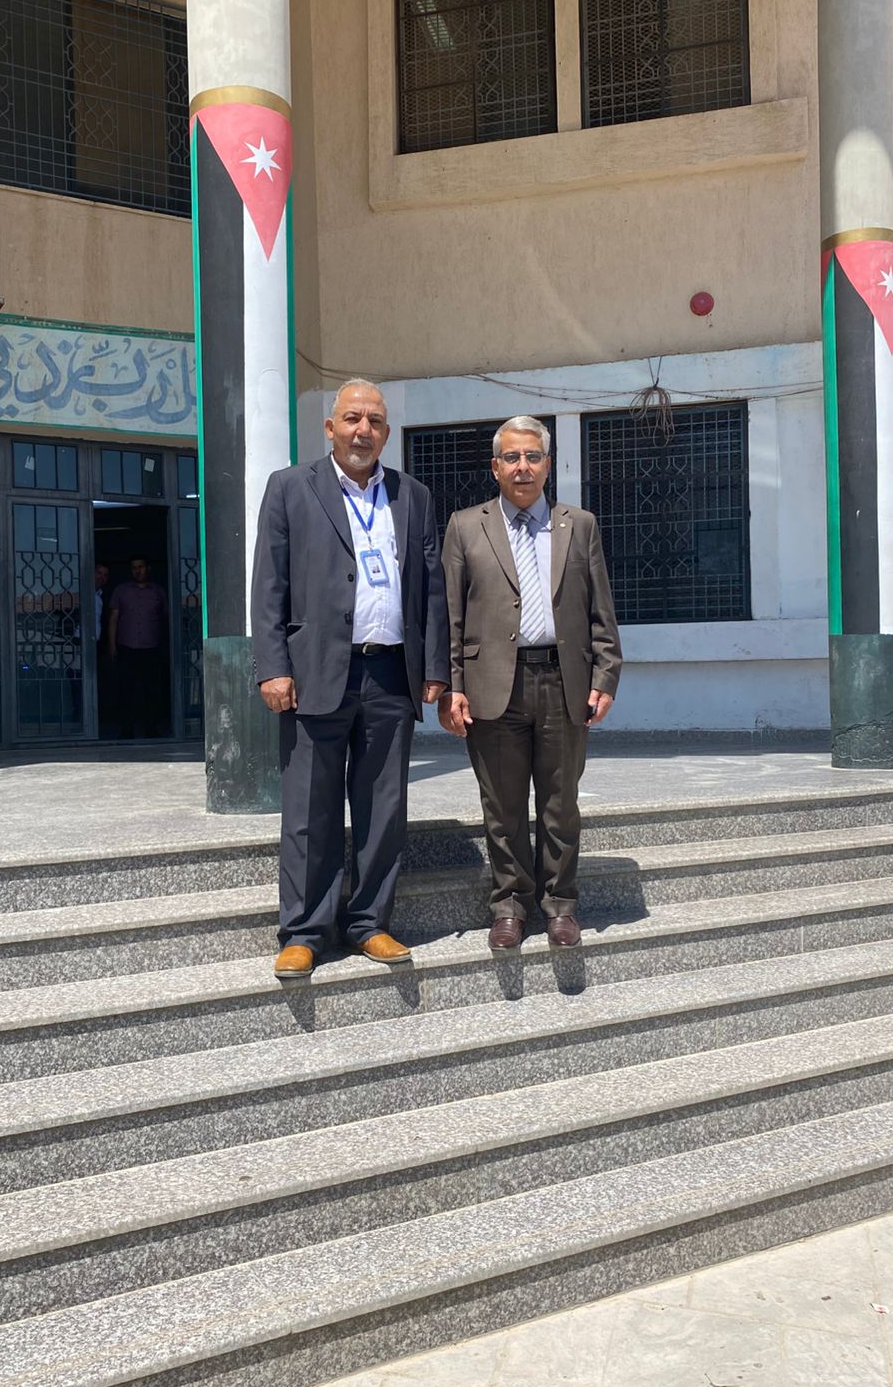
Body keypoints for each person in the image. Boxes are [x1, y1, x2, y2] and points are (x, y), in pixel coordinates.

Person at [251, 378, 449, 977]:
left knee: (383, 807)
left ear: (386, 432)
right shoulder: (291, 488)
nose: (364, 430)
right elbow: (269, 584)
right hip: (314, 673)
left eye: (375, 421)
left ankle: (369, 923)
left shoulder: (412, 495)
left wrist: (433, 667)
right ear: (330, 427)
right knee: (309, 809)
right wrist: (273, 667)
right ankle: (304, 931)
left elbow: (431, 588)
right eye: (353, 419)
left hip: (390, 673)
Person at [439, 416, 621, 951]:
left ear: (548, 464)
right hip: (493, 686)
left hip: (564, 684)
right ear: (495, 467)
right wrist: (451, 686)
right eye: (512, 457)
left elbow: (601, 611)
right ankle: (510, 906)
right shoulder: (465, 526)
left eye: (533, 456)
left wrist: (606, 675)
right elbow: (450, 615)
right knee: (503, 807)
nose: (523, 467)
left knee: (561, 804)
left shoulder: (579, 525)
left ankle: (561, 905)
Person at [107, 555, 168, 739]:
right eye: (134, 567)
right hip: (127, 647)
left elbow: (166, 619)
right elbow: (113, 619)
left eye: (141, 566)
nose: (137, 570)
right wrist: (112, 646)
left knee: (153, 690)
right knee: (126, 689)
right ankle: (126, 728)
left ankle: (152, 728)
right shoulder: (121, 591)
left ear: (147, 568)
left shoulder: (158, 592)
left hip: (152, 647)